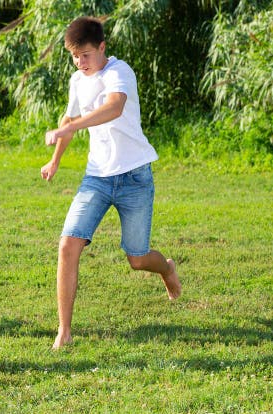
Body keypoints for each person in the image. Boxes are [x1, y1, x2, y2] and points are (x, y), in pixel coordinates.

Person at [41, 16, 181, 349]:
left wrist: (70, 127)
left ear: (102, 48)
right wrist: (56, 159)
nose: (80, 62)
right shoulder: (78, 79)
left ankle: (166, 269)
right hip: (97, 178)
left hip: (134, 176)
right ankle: (64, 331)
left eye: (86, 55)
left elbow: (114, 108)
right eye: (75, 56)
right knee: (67, 245)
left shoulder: (120, 72)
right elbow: (70, 119)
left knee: (137, 258)